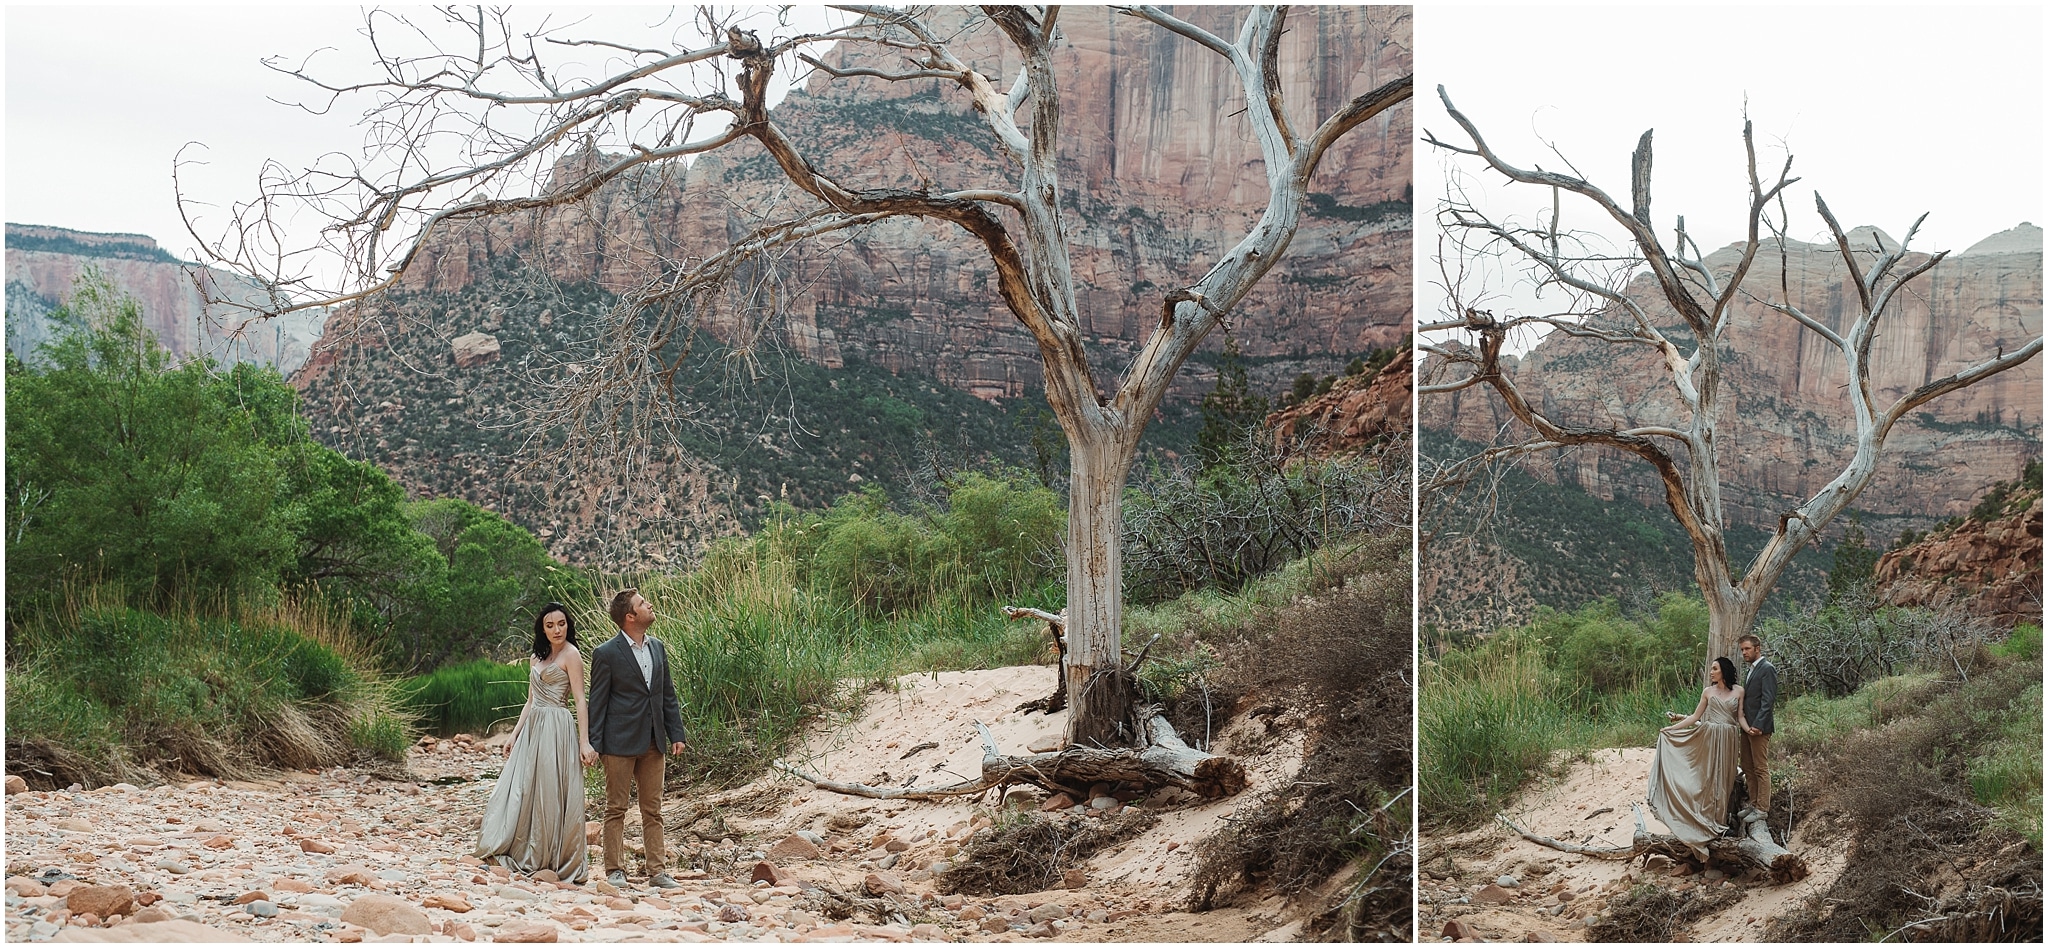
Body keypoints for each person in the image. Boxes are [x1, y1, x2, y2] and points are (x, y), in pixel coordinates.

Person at [475, 602, 598, 883]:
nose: (557, 630)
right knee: (522, 787)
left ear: (568, 625)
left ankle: (550, 856)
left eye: (562, 624)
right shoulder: (535, 658)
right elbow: (530, 701)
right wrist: (514, 734)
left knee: (550, 790)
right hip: (534, 729)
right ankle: (520, 847)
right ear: (542, 629)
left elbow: (580, 700)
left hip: (558, 727)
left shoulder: (572, 655)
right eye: (550, 625)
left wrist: (584, 742)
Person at [586, 588, 688, 889]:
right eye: (644, 604)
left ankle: (657, 872)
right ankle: (614, 871)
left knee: (652, 810)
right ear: (630, 617)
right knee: (616, 808)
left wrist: (676, 733)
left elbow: (667, 694)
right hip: (618, 743)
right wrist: (595, 745)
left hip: (654, 740)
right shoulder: (605, 653)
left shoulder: (658, 647)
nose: (650, 605)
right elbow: (598, 702)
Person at [1646, 655, 1752, 859]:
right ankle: (1704, 822)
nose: (1710, 672)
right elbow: (1695, 717)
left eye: (1714, 669)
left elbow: (1740, 717)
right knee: (1708, 778)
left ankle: (1720, 822)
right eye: (1711, 669)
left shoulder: (1738, 691)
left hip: (1729, 738)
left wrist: (1750, 730)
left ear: (1724, 671)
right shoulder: (1707, 692)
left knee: (1726, 780)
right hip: (1710, 737)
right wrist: (1670, 729)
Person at [1738, 633, 1778, 818]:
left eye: (1747, 649)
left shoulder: (1767, 668)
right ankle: (1753, 804)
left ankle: (1762, 808)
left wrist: (1758, 725)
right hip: (1747, 727)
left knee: (1760, 767)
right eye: (1742, 650)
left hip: (1759, 728)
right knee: (1747, 765)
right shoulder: (1751, 669)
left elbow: (1768, 700)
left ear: (1757, 648)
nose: (1744, 653)